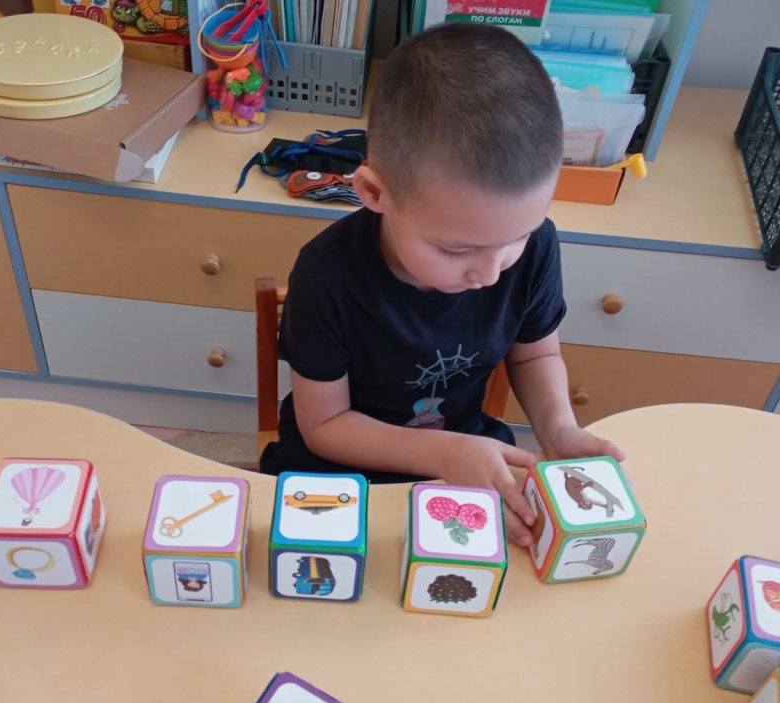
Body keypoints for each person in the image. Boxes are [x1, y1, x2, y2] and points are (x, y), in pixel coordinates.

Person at [259, 22, 625, 545]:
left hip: (460, 452)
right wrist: (446, 454)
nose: (491, 272)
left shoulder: (536, 247)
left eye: (517, 237)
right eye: (455, 251)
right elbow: (326, 426)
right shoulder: (327, 277)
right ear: (374, 192)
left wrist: (559, 428)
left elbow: (535, 355)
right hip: (337, 469)